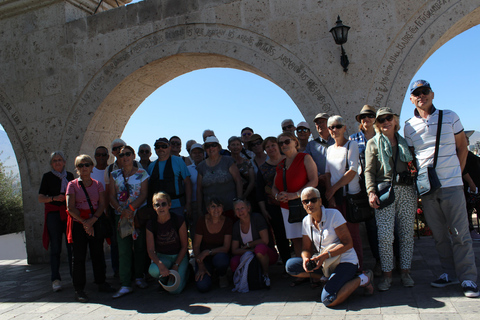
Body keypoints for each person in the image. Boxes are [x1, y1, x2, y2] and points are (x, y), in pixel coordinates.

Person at [404, 79, 478, 298]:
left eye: (425, 92)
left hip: (452, 185)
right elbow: (412, 158)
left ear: (432, 94)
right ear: (411, 99)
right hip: (428, 188)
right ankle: (449, 273)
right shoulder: (409, 126)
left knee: (460, 234)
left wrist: (456, 172)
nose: (421, 96)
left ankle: (468, 278)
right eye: (417, 93)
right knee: (439, 235)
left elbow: (462, 147)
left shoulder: (450, 117)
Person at [285, 187, 373, 307]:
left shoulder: (333, 215)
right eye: (306, 201)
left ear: (320, 201)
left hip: (344, 260)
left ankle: (363, 278)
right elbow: (306, 249)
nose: (310, 204)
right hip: (325, 262)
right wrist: (306, 259)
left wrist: (324, 255)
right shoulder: (306, 221)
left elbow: (348, 243)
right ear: (303, 205)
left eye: (313, 200)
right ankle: (327, 278)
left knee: (328, 300)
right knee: (291, 266)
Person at [365, 108, 417, 291]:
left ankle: (405, 272)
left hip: (406, 190)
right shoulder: (372, 144)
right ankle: (387, 275)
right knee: (385, 236)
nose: (385, 122)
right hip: (385, 192)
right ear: (377, 124)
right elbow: (369, 171)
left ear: (395, 121)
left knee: (406, 235)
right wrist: (371, 192)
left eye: (389, 118)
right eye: (381, 120)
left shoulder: (406, 142)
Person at [66, 154, 114, 302]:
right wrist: (85, 222)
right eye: (81, 165)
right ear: (77, 169)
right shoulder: (72, 185)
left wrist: (92, 220)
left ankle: (101, 281)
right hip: (79, 223)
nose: (84, 168)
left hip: (94, 220)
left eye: (87, 164)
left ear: (92, 167)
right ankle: (79, 288)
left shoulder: (97, 184)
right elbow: (70, 207)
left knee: (97, 253)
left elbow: (101, 204)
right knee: (79, 257)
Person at [109, 146, 149, 298]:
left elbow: (144, 193)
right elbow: (111, 195)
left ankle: (139, 277)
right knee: (124, 249)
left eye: (127, 154)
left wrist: (131, 208)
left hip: (137, 216)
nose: (124, 157)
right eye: (121, 155)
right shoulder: (114, 175)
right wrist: (121, 209)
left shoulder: (142, 173)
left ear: (133, 156)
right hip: (122, 217)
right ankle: (125, 283)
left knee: (139, 247)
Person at [324, 115, 363, 269]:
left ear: (344, 128)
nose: (335, 130)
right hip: (336, 198)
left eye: (338, 126)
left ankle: (358, 268)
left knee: (353, 235)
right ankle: (343, 267)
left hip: (349, 197)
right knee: (337, 236)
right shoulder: (329, 149)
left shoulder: (351, 145)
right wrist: (330, 193)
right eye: (331, 127)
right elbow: (327, 173)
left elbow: (353, 171)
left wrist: (333, 189)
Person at [272, 132, 318, 258]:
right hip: (286, 207)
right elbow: (274, 186)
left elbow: (314, 180)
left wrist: (296, 195)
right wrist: (277, 196)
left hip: (304, 205)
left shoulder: (305, 158)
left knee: (309, 237)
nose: (283, 145)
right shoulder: (281, 164)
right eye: (281, 143)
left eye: (287, 141)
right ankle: (302, 269)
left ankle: (315, 269)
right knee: (295, 239)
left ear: (295, 142)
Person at [349, 105, 381, 275]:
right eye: (363, 117)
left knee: (388, 225)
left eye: (369, 116)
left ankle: (393, 259)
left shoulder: (381, 136)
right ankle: (378, 260)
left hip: (382, 184)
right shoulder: (353, 139)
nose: (366, 119)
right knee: (371, 225)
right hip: (363, 187)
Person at [38, 151, 74, 292]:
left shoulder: (70, 176)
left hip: (68, 214)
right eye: (55, 160)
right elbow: (41, 197)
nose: (57, 162)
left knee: (71, 245)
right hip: (54, 214)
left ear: (64, 162)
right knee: (56, 247)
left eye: (60, 160)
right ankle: (55, 278)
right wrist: (54, 198)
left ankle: (74, 275)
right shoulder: (47, 177)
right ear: (51, 164)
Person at [256, 136, 290, 268]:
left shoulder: (289, 161)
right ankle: (288, 266)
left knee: (298, 235)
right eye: (267, 147)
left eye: (273, 145)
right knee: (281, 237)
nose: (271, 148)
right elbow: (260, 191)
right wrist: (264, 210)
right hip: (274, 207)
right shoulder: (263, 168)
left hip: (292, 203)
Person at [147, 192, 189, 294]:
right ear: (153, 207)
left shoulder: (178, 220)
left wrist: (176, 265)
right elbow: (151, 250)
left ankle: (186, 273)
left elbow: (184, 246)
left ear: (169, 205)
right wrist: (160, 264)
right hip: (163, 257)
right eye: (157, 205)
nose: (161, 207)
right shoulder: (151, 224)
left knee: (175, 290)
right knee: (153, 270)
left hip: (179, 256)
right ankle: (165, 276)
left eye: (164, 204)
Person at [230, 199, 278, 287]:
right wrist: (251, 252)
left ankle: (265, 275)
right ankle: (239, 280)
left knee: (260, 248)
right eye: (237, 209)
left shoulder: (257, 218)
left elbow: (265, 240)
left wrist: (249, 245)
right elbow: (234, 250)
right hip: (248, 254)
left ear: (248, 208)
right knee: (234, 261)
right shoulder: (236, 226)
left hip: (266, 253)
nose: (240, 211)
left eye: (242, 208)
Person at [197, 136, 243, 220]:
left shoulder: (228, 161)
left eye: (214, 145)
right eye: (207, 146)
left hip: (230, 208)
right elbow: (199, 189)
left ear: (218, 147)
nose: (211, 148)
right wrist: (199, 209)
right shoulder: (201, 166)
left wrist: (239, 201)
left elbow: (238, 181)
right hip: (211, 211)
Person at [193, 198, 233, 292]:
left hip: (218, 255)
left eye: (218, 206)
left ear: (222, 208)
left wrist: (208, 252)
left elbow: (226, 247)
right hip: (203, 258)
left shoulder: (228, 222)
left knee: (221, 259)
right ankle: (210, 275)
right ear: (208, 209)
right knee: (203, 286)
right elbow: (196, 246)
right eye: (213, 206)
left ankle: (222, 275)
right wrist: (201, 265)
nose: (216, 209)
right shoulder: (202, 221)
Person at [147, 137, 192, 218]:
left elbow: (187, 182)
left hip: (177, 206)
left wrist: (188, 204)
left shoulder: (178, 161)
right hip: (158, 208)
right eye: (158, 147)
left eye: (164, 146)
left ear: (169, 147)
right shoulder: (151, 166)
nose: (160, 149)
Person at [305, 113, 335, 203]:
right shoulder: (311, 145)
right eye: (317, 123)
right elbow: (306, 163)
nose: (320, 125)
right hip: (320, 185)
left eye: (323, 122)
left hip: (337, 183)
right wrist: (318, 176)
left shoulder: (338, 140)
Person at [462, 130, 480, 241]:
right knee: (468, 209)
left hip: (475, 186)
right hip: (470, 188)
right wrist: (471, 183)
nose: (468, 139)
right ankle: (470, 231)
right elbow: (463, 169)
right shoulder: (462, 154)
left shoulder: (467, 153)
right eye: (465, 138)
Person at [228, 136, 255, 201]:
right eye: (233, 145)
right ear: (228, 147)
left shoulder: (247, 162)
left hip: (248, 194)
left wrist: (244, 196)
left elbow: (252, 181)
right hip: (231, 194)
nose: (236, 147)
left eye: (238, 144)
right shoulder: (226, 163)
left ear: (241, 146)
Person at [187, 143, 205, 235]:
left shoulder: (208, 166)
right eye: (194, 153)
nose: (197, 154)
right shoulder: (188, 169)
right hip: (193, 203)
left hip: (208, 202)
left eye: (200, 152)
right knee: (195, 229)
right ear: (191, 155)